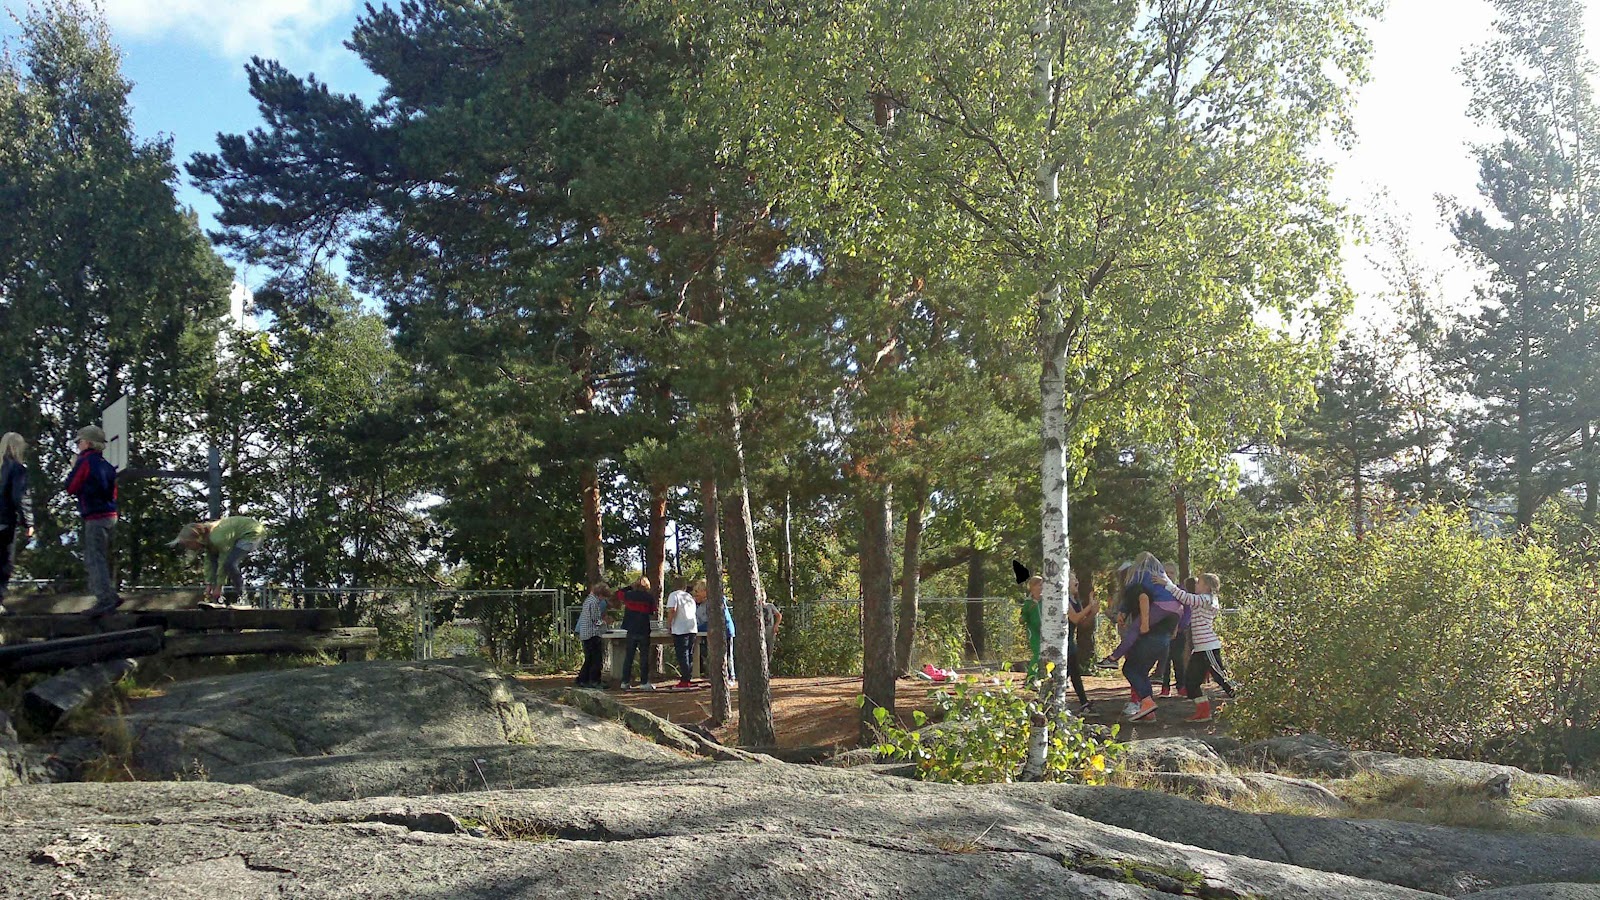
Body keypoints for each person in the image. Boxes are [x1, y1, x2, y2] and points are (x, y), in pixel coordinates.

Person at [65, 425, 119, 616]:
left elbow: (71, 486)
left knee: (94, 560)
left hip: (95, 516)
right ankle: (109, 594)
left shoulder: (85, 461)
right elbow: (113, 493)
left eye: (79, 442)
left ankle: (105, 598)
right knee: (102, 557)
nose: (78, 446)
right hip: (110, 515)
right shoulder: (107, 465)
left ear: (87, 443)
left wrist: (74, 468)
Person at [170, 516, 269, 601]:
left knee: (229, 564)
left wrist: (219, 587)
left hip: (252, 533)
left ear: (196, 539)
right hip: (240, 532)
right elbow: (209, 562)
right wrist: (209, 584)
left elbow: (223, 560)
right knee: (214, 560)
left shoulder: (217, 539)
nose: (188, 547)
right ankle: (218, 599)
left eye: (188, 544)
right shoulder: (207, 539)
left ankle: (243, 597)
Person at [1182, 573, 1236, 721]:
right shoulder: (1201, 599)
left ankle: (1247, 699)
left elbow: (1185, 597)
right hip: (1199, 649)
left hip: (1208, 648)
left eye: (1198, 582)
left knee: (1222, 678)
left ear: (1206, 586)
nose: (1196, 584)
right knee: (1191, 681)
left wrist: (1166, 583)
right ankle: (1203, 712)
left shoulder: (1207, 599)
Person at [0, 433, 32, 613]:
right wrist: (28, 522)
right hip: (5, 521)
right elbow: (20, 497)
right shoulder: (17, 469)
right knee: (4, 563)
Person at [618, 576, 657, 690]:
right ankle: (644, 682)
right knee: (644, 657)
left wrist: (629, 587)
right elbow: (652, 611)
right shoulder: (649, 597)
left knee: (629, 656)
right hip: (644, 629)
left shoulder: (628, 595)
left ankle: (625, 682)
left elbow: (619, 594)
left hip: (631, 629)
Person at [574, 582, 612, 688]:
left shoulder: (589, 600)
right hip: (592, 634)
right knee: (596, 659)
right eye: (603, 596)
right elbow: (595, 620)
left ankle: (582, 679)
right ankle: (594, 680)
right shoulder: (594, 602)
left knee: (589, 658)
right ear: (600, 594)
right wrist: (605, 622)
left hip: (585, 633)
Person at [665, 577, 698, 688]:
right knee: (689, 654)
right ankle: (688, 677)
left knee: (682, 654)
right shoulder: (689, 596)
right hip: (692, 628)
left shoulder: (674, 595)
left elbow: (672, 610)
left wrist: (669, 624)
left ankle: (685, 679)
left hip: (680, 629)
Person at [760, 596, 783, 663]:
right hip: (759, 632)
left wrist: (776, 625)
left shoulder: (770, 606)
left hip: (770, 631)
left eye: (763, 596)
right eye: (761, 596)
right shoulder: (756, 606)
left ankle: (768, 666)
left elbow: (778, 615)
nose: (762, 597)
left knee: (769, 650)